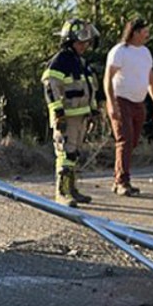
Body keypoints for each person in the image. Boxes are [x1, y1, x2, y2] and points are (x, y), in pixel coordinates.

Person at [42, 19, 101, 207]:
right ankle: (63, 192)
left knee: (74, 154)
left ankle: (72, 189)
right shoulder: (61, 60)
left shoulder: (80, 62)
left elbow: (89, 87)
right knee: (65, 155)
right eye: (81, 42)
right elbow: (50, 85)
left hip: (80, 116)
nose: (85, 45)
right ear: (70, 41)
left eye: (86, 42)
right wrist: (57, 112)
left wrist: (92, 111)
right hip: (66, 117)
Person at [104, 18, 153, 196]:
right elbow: (108, 78)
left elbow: (150, 78)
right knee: (125, 140)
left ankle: (118, 179)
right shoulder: (120, 51)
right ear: (135, 32)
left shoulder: (145, 52)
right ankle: (122, 182)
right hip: (121, 100)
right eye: (145, 31)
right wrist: (111, 103)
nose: (148, 34)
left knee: (133, 141)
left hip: (139, 102)